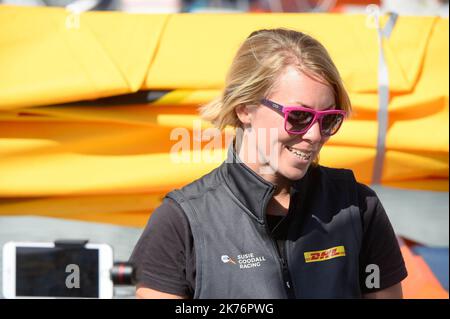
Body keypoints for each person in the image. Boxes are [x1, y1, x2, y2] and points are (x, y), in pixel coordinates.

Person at [129, 28, 407, 299]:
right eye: (299, 116)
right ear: (244, 108)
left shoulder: (358, 207)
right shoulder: (180, 221)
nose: (314, 135)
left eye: (328, 119)